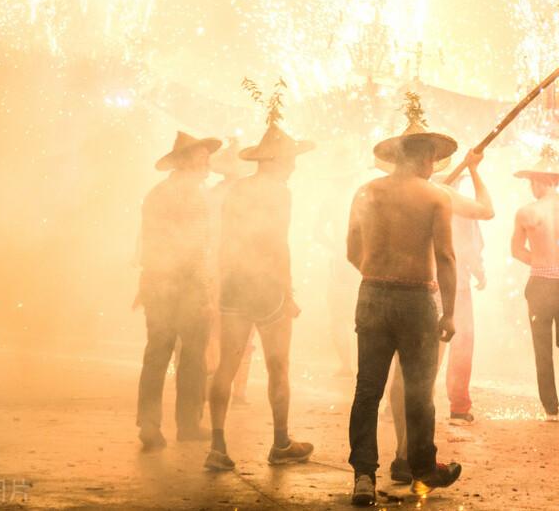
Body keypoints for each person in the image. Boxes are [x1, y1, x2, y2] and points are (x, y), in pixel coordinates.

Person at [345, 102, 464, 506]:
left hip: (372, 295)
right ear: (428, 156)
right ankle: (423, 470)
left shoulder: (367, 191)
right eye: (433, 156)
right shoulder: (435, 197)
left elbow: (351, 250)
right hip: (417, 300)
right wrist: (448, 311)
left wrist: (378, 275)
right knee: (418, 391)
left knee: (368, 389)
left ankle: (363, 475)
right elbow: (446, 257)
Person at [204, 124, 316, 471]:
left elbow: (225, 240)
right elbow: (277, 242)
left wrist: (220, 282)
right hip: (266, 286)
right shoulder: (280, 193)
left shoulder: (236, 190)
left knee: (226, 365)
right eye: (292, 159)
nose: (295, 165)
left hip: (235, 282)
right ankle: (281, 443)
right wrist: (288, 289)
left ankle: (217, 447)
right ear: (280, 160)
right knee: (277, 365)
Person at [387, 149, 492, 484]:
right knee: (421, 379)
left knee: (402, 377)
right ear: (424, 162)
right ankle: (408, 456)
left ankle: (402, 455)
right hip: (428, 291)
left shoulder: (383, 193)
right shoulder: (440, 193)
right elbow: (487, 210)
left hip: (394, 288)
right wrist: (475, 170)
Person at [136, 131, 220, 450]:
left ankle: (149, 423)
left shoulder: (156, 193)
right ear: (186, 162)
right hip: (184, 283)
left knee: (157, 352)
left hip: (156, 281)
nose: (208, 163)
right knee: (193, 355)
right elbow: (195, 248)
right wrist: (205, 291)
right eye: (202, 158)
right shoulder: (194, 197)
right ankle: (187, 423)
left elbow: (147, 241)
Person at [511, 145, 559, 422]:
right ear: (556, 180)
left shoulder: (527, 212)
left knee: (542, 346)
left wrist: (540, 261)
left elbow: (516, 250)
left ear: (537, 181)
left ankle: (551, 409)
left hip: (541, 281)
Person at [205, 138, 255, 406]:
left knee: (215, 325)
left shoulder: (211, 194)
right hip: (239, 266)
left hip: (215, 265)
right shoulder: (247, 194)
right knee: (243, 327)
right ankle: (238, 389)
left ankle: (215, 381)